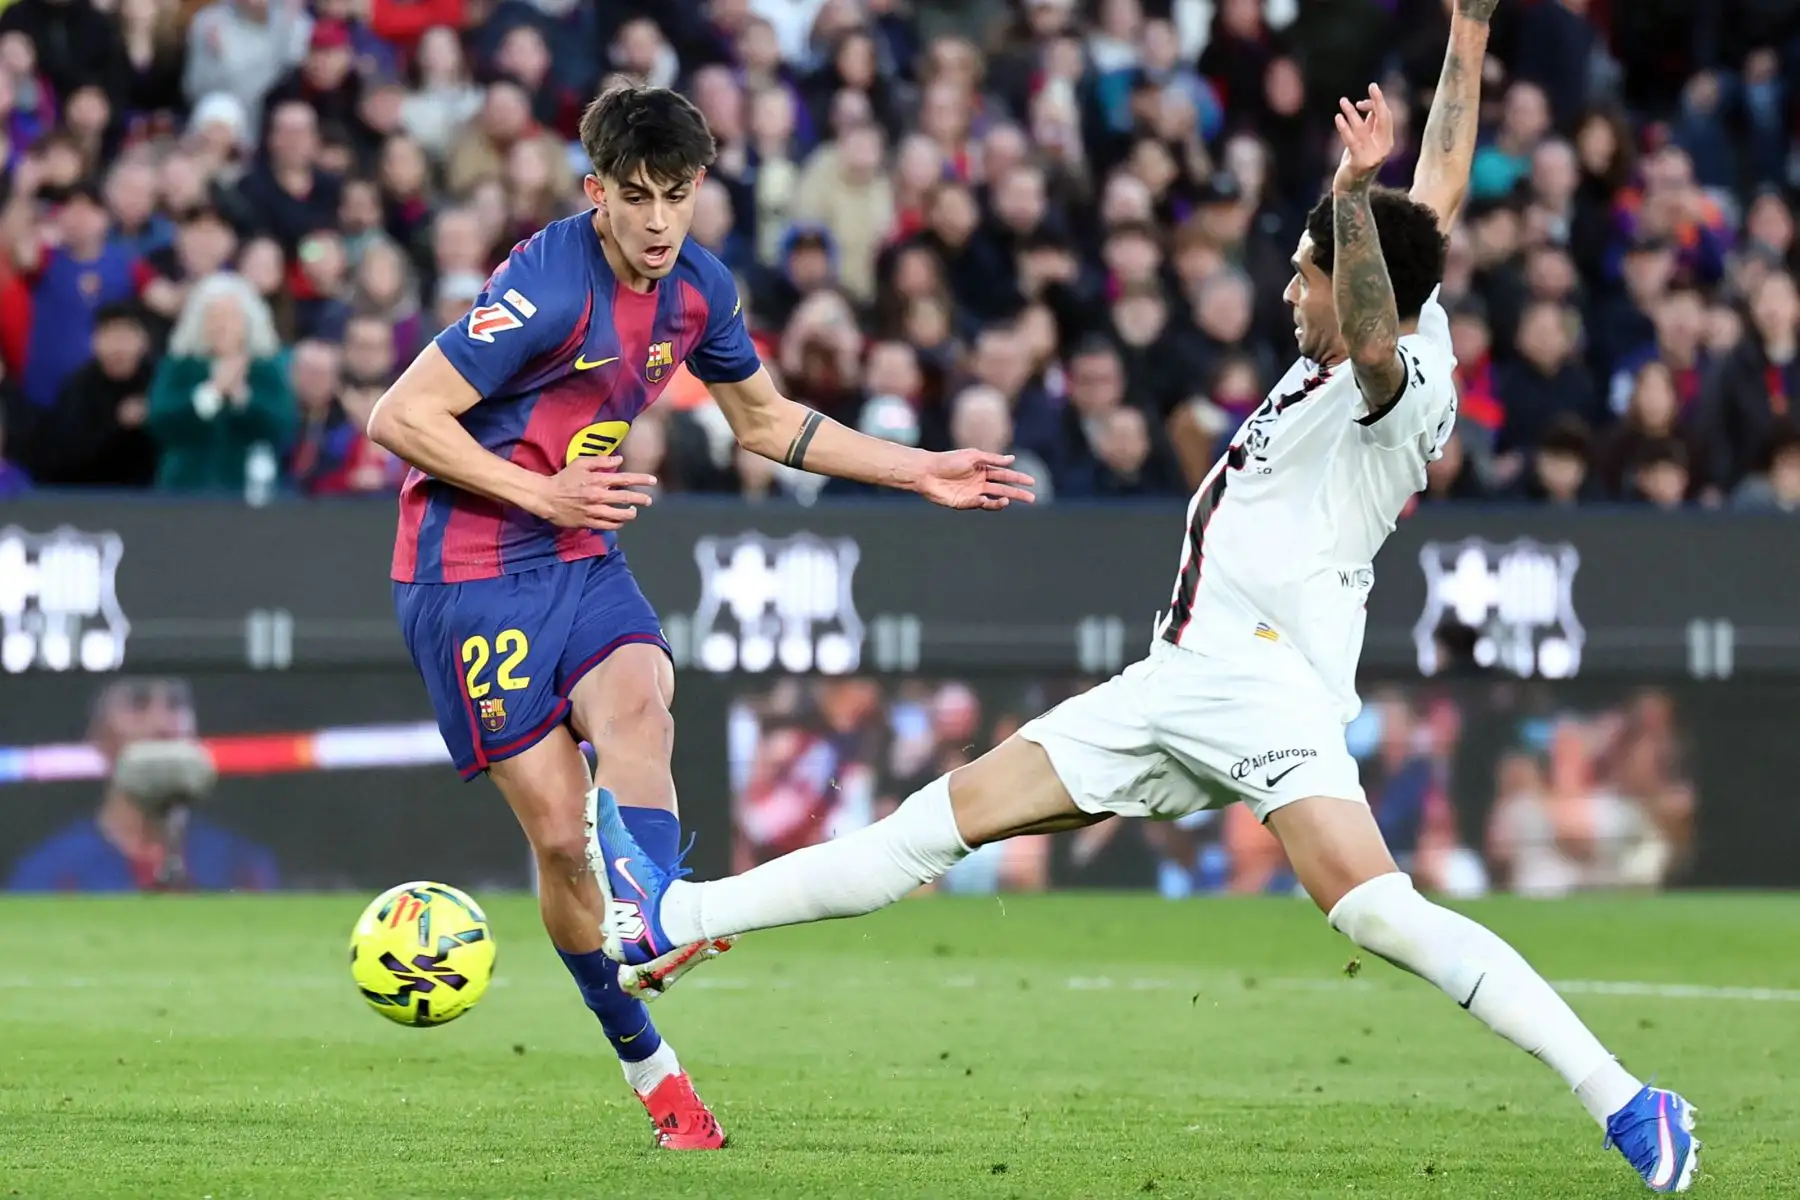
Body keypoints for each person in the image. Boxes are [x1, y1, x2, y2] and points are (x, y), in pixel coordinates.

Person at [583, 7, 1700, 1192]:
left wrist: (1357, 211)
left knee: (1377, 911)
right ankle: (680, 915)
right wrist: (1468, 42)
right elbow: (1436, 211)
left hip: (1258, 682)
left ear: (1352, 283)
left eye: (1303, 274)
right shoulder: (1363, 329)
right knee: (930, 826)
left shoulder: (1397, 381)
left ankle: (1626, 1099)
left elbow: (1378, 323)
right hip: (1185, 681)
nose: (1289, 290)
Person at [366, 84, 1033, 1152]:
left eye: (679, 195)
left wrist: (921, 471)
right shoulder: (545, 284)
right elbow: (397, 415)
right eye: (638, 198)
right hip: (470, 570)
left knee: (641, 698)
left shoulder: (700, 291)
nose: (661, 221)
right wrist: (543, 493)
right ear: (597, 194)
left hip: (579, 547)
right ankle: (651, 1066)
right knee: (557, 843)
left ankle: (655, 912)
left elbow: (766, 421)